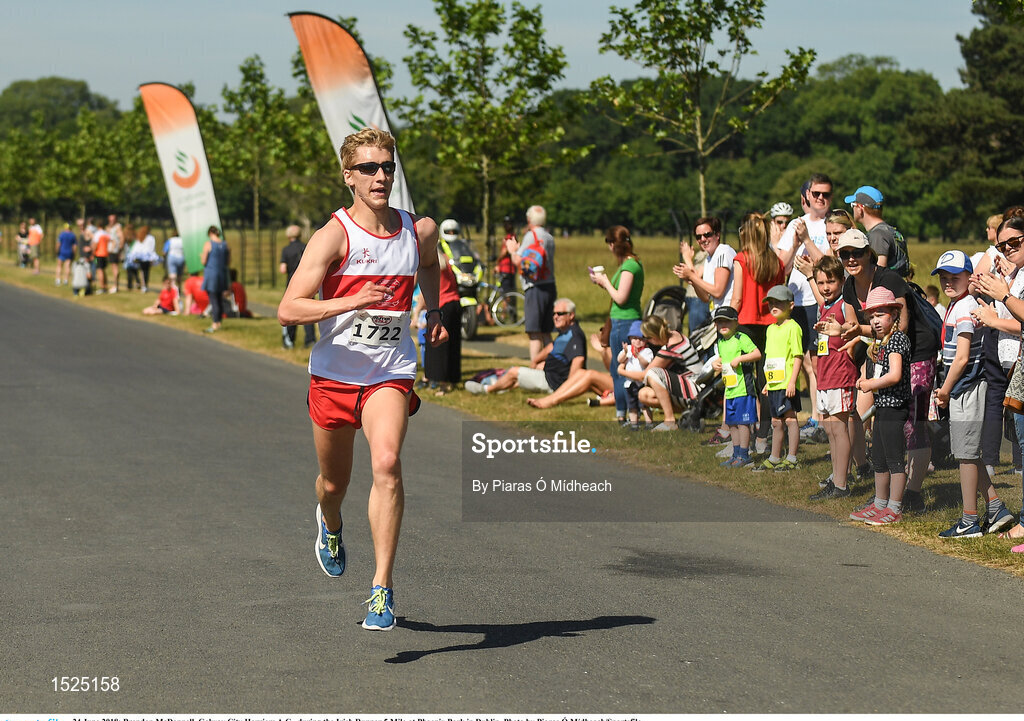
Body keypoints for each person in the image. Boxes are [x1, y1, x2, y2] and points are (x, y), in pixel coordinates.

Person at [277, 127, 447, 632]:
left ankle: (381, 589)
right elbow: (289, 309)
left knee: (388, 464)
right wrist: (351, 300)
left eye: (387, 167)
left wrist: (433, 309)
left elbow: (432, 265)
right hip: (334, 376)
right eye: (369, 168)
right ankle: (330, 524)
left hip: (389, 373)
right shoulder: (334, 236)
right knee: (334, 483)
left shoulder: (419, 230)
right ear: (348, 176)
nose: (380, 176)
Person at [932, 250, 1014, 539]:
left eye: (955, 277)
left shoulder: (964, 308)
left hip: (965, 386)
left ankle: (969, 520)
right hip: (964, 386)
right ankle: (995, 508)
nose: (948, 282)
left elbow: (962, 357)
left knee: (965, 456)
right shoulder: (959, 304)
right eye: (943, 277)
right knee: (968, 453)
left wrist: (944, 389)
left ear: (970, 277)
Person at [976, 215, 1024, 548]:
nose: (1008, 249)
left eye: (1015, 243)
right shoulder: (1015, 273)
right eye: (1003, 244)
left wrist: (1002, 301)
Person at [464, 299, 603, 408]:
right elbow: (551, 348)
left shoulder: (575, 336)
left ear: (571, 315)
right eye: (554, 314)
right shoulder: (565, 332)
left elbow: (578, 362)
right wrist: (536, 361)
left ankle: (488, 389)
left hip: (553, 382)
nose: (555, 317)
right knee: (531, 371)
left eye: (560, 313)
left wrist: (567, 389)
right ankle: (503, 387)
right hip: (550, 375)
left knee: (514, 372)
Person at [848, 288, 911, 525]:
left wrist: (869, 384)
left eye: (881, 314)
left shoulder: (896, 340)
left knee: (895, 459)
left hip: (895, 407)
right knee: (879, 457)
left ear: (894, 314)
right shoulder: (881, 341)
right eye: (872, 316)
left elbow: (894, 376)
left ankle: (894, 508)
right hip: (883, 407)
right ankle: (879, 503)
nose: (875, 321)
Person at [730, 212, 786, 454]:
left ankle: (745, 436)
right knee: (767, 382)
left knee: (744, 383)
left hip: (745, 324)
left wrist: (725, 322)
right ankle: (763, 435)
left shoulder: (742, 259)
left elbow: (737, 297)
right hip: (771, 326)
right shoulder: (777, 262)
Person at [808, 256, 860, 499]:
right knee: (829, 429)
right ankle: (836, 477)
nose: (825, 287)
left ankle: (841, 484)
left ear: (841, 281)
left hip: (840, 374)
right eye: (820, 282)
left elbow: (854, 327)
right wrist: (809, 276)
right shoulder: (824, 305)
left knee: (839, 430)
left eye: (830, 281)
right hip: (825, 376)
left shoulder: (844, 303)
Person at [589, 226, 644, 423]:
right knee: (616, 368)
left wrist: (605, 282)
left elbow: (621, 298)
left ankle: (629, 413)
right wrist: (602, 283)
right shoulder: (627, 265)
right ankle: (622, 412)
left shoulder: (630, 266)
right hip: (618, 320)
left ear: (613, 244)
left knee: (623, 369)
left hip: (625, 321)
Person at [751, 285, 803, 472]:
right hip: (773, 384)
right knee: (775, 421)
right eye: (771, 302)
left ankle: (792, 457)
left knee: (790, 419)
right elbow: (769, 358)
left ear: (790, 305)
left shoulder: (794, 328)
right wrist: (767, 383)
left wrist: (792, 382)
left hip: (786, 384)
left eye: (778, 302)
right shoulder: (770, 329)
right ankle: (774, 457)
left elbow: (798, 356)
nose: (773, 305)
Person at [710, 305, 761, 468]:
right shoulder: (721, 342)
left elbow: (757, 354)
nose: (723, 325)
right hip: (730, 389)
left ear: (736, 323)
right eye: (719, 322)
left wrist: (740, 359)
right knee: (731, 422)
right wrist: (715, 363)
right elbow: (722, 359)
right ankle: (736, 453)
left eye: (727, 321)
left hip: (743, 389)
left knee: (742, 423)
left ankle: (745, 454)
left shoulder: (741, 338)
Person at [506, 205, 556, 365]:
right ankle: (553, 365)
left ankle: (536, 366)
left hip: (535, 287)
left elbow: (518, 261)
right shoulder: (549, 237)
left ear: (529, 219)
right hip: (549, 284)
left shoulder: (531, 236)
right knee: (547, 331)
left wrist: (512, 250)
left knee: (534, 332)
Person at [636, 314, 703, 431]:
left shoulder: (670, 348)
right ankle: (689, 412)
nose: (647, 341)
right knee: (644, 394)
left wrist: (621, 370)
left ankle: (670, 421)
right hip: (695, 382)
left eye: (647, 338)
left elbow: (644, 374)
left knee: (652, 374)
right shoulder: (675, 334)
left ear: (654, 336)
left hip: (695, 387)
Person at [421, 245, 462, 395]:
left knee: (438, 345)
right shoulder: (444, 258)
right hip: (455, 303)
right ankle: (451, 379)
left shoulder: (430, 262)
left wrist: (417, 311)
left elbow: (424, 292)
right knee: (453, 345)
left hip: (442, 305)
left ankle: (442, 383)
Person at [846, 185, 908, 277]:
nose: (852, 209)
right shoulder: (889, 231)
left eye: (853, 205)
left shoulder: (878, 235)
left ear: (860, 208)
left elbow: (878, 274)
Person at [279, 224, 316, 348]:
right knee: (309, 313)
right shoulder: (306, 247)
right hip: (308, 284)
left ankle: (290, 340)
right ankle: (310, 339)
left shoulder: (286, 250)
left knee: (291, 313)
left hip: (292, 285)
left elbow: (283, 269)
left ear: (288, 235)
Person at [616, 320, 655, 429]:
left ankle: (649, 423)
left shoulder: (647, 351)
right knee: (632, 406)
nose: (637, 342)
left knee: (644, 405)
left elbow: (646, 363)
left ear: (646, 340)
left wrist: (639, 355)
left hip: (642, 383)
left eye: (641, 339)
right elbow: (619, 360)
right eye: (634, 339)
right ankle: (634, 424)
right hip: (630, 383)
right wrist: (624, 353)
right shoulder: (628, 349)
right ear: (630, 339)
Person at [200, 226, 230, 333]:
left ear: (210, 234)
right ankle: (219, 322)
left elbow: (204, 261)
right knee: (219, 299)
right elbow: (227, 262)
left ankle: (215, 323)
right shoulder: (225, 245)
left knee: (213, 299)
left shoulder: (209, 244)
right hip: (222, 274)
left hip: (211, 274)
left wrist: (201, 257)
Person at [106, 214, 123, 293]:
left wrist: (120, 249)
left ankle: (115, 286)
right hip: (110, 250)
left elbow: (121, 238)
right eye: (110, 219)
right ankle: (115, 286)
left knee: (115, 268)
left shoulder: (117, 227)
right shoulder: (109, 227)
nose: (111, 221)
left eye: (113, 219)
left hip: (114, 250)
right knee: (113, 268)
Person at [92, 224, 111, 293]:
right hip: (105, 254)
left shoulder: (97, 234)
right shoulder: (106, 234)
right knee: (103, 270)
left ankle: (102, 287)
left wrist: (92, 252)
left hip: (98, 255)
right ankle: (105, 286)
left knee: (99, 270)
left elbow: (95, 244)